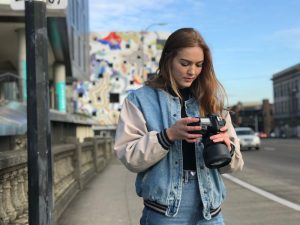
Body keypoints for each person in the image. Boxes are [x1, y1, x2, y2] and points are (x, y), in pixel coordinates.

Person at [114, 28, 244, 225]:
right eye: (184, 63)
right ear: (168, 59)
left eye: (199, 65)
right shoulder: (139, 100)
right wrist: (168, 136)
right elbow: (130, 156)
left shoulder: (211, 102)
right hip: (164, 213)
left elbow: (235, 166)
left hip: (210, 212)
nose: (192, 71)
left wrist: (228, 147)